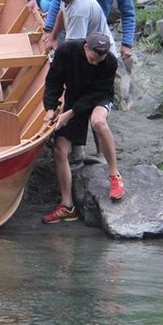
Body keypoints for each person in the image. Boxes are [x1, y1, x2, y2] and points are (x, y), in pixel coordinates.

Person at [41, 33, 125, 224]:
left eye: (99, 60)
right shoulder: (66, 52)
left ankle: (114, 175)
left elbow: (98, 93)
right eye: (92, 59)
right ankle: (67, 206)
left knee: (98, 122)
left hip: (99, 98)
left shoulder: (109, 62)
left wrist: (69, 113)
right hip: (74, 96)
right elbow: (53, 81)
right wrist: (50, 109)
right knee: (60, 149)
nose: (95, 63)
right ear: (85, 47)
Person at [43, 0, 116, 55]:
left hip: (100, 54)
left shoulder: (78, 11)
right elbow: (62, 13)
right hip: (89, 47)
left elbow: (72, 46)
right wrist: (53, 38)